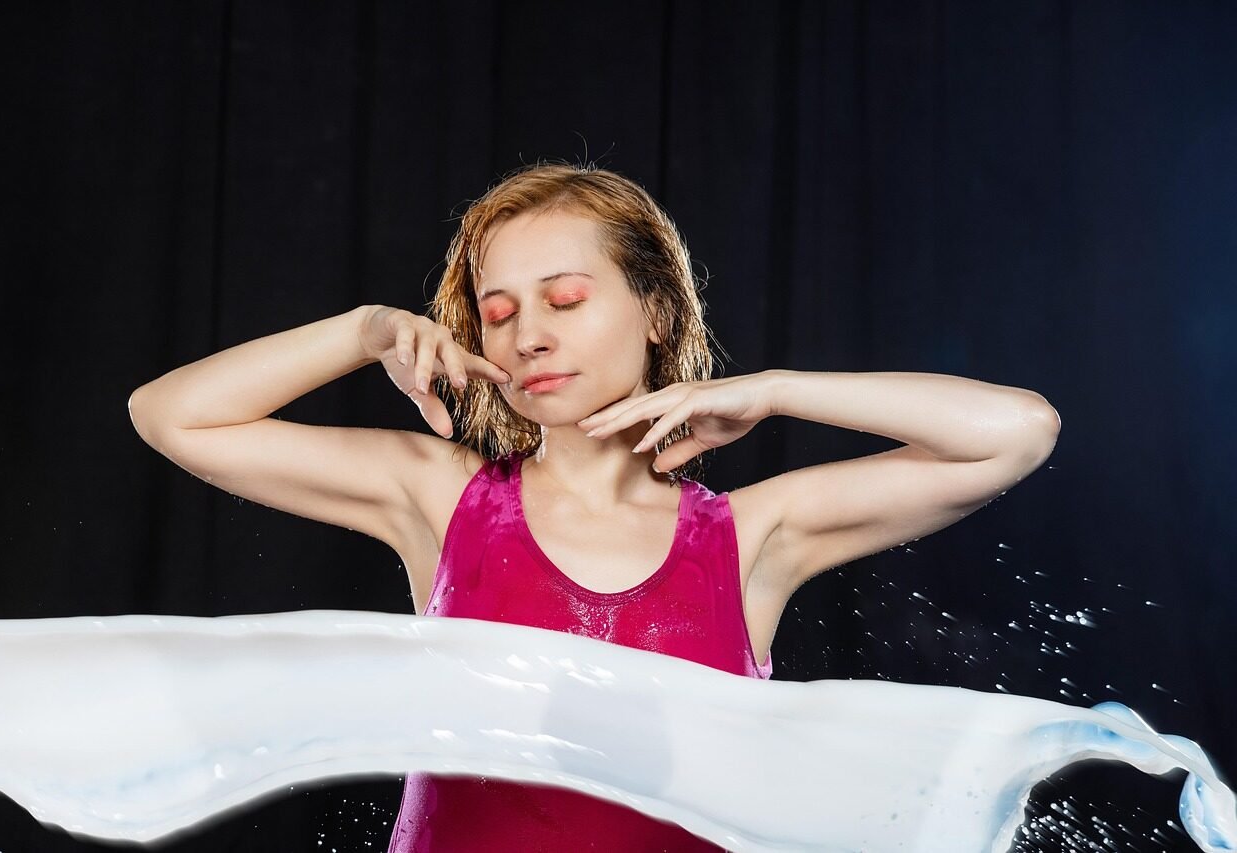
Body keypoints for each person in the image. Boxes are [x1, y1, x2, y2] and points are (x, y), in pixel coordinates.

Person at [128, 161, 1061, 851]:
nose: (529, 334)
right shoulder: (439, 497)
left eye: (566, 299)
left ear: (655, 309)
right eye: (497, 311)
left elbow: (1015, 429)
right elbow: (172, 416)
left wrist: (775, 388)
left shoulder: (750, 539)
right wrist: (365, 330)